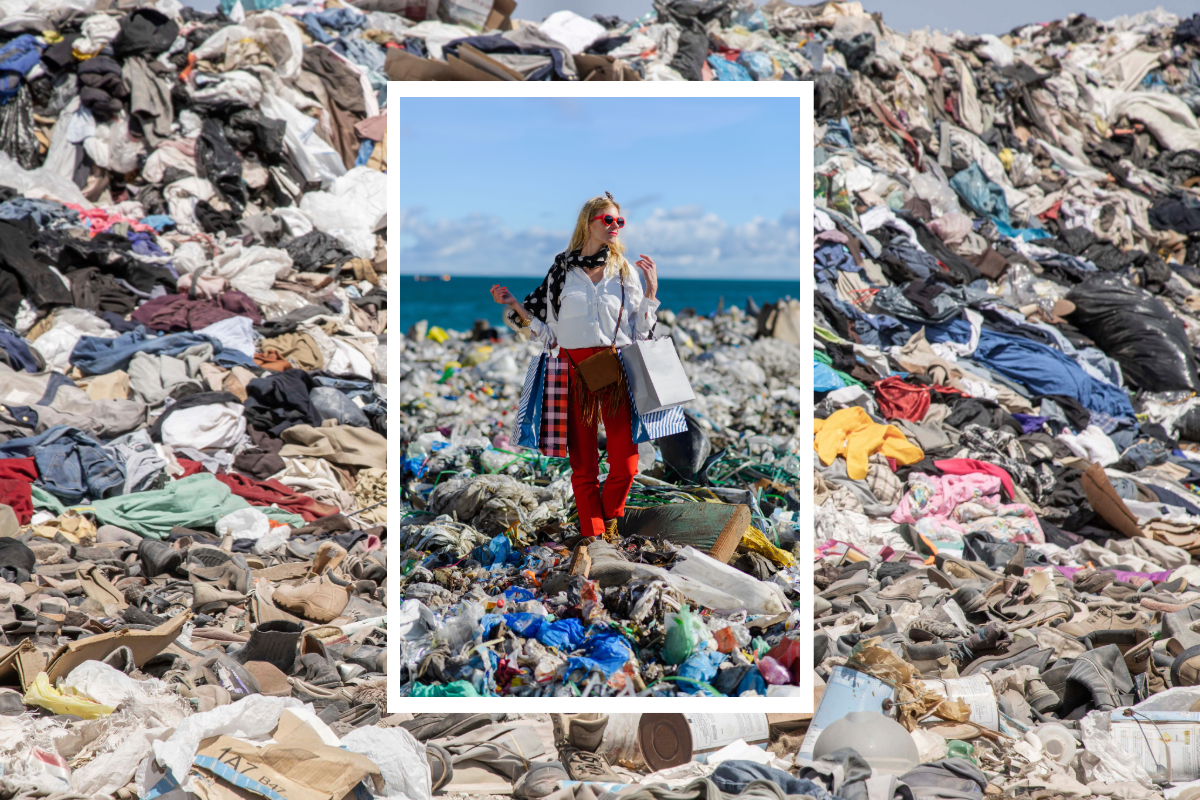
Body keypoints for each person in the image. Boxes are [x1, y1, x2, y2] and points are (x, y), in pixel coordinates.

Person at [491, 192, 659, 539]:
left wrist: (652, 291)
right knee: (582, 465)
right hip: (571, 371)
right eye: (608, 220)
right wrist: (514, 305)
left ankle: (610, 518)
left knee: (625, 463)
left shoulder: (624, 271)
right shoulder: (561, 273)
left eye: (619, 221)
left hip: (615, 370)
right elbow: (548, 335)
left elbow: (640, 331)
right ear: (589, 223)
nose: (615, 227)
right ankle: (594, 535)